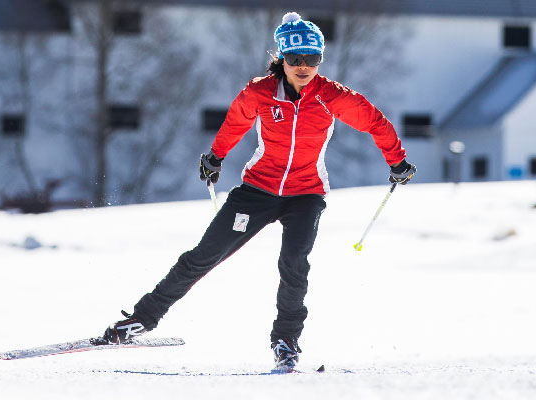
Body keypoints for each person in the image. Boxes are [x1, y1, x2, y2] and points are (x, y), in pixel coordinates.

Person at [101, 12, 417, 371]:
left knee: (294, 266)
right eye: (295, 59)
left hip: (306, 194)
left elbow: (374, 121)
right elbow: (235, 121)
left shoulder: (331, 97)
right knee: (204, 255)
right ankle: (143, 318)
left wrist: (397, 161)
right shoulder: (260, 92)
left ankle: (285, 341)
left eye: (311, 59)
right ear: (282, 59)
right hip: (258, 190)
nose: (303, 66)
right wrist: (216, 156)